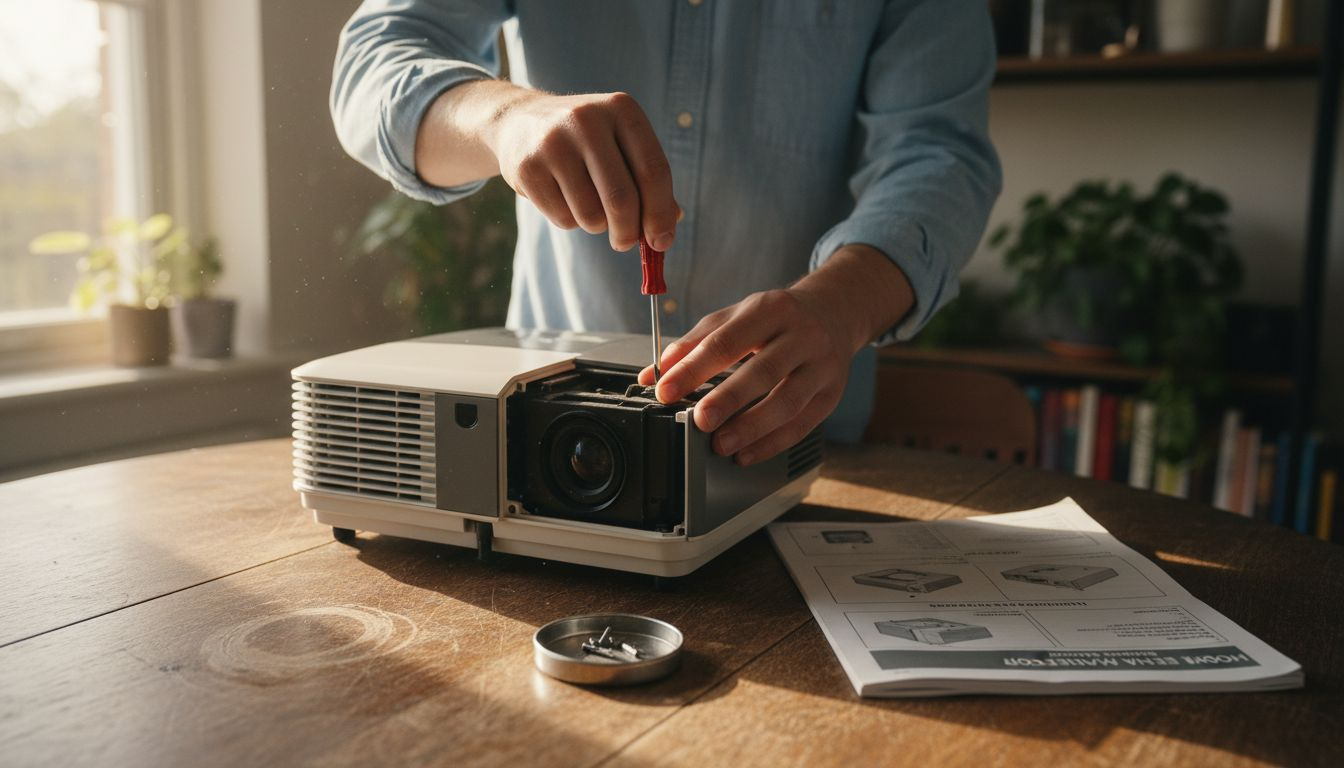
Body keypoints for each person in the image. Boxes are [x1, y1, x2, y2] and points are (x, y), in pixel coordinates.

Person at [331, 0, 1001, 465]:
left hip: (795, 456)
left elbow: (940, 154)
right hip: (549, 448)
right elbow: (374, 63)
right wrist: (503, 118)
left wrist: (839, 306)